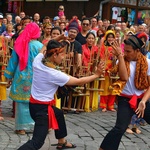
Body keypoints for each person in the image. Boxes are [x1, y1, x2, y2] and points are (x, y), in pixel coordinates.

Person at [17, 39, 105, 150]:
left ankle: (61, 142)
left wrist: (59, 37)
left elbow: (45, 45)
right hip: (42, 111)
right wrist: (96, 75)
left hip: (34, 105)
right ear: (54, 55)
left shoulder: (38, 61)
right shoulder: (54, 74)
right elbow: (78, 81)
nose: (63, 58)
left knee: (58, 113)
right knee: (37, 142)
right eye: (62, 55)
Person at [100, 35, 150, 150]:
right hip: (125, 99)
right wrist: (120, 57)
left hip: (142, 99)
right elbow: (124, 77)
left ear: (137, 51)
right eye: (124, 50)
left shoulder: (147, 62)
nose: (126, 53)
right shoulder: (121, 60)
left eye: (128, 51)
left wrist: (143, 101)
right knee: (120, 128)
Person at [4, 23, 43, 135]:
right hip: (35, 78)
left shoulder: (19, 44)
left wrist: (8, 77)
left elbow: (13, 62)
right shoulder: (40, 46)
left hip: (20, 77)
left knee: (21, 103)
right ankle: (34, 126)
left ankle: (21, 128)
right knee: (34, 102)